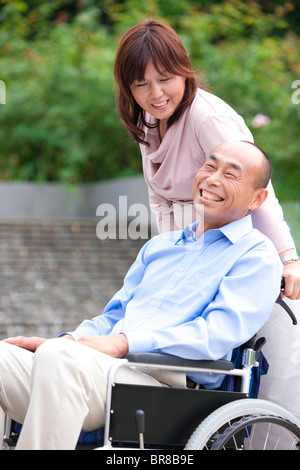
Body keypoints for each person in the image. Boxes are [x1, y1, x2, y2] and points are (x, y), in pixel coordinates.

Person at [0, 141, 282, 450]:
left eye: (231, 174)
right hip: (101, 370)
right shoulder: (161, 246)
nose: (213, 179)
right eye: (210, 166)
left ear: (257, 198)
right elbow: (113, 317)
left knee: (60, 358)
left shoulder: (256, 255)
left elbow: (216, 335)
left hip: (167, 385)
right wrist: (67, 341)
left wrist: (124, 342)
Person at [113, 18, 300, 300]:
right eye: (141, 84)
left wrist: (288, 258)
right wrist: (172, 256)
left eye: (165, 79)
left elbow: (257, 190)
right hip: (191, 250)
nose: (156, 94)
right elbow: (159, 200)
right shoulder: (149, 118)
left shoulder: (207, 118)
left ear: (183, 70)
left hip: (231, 249)